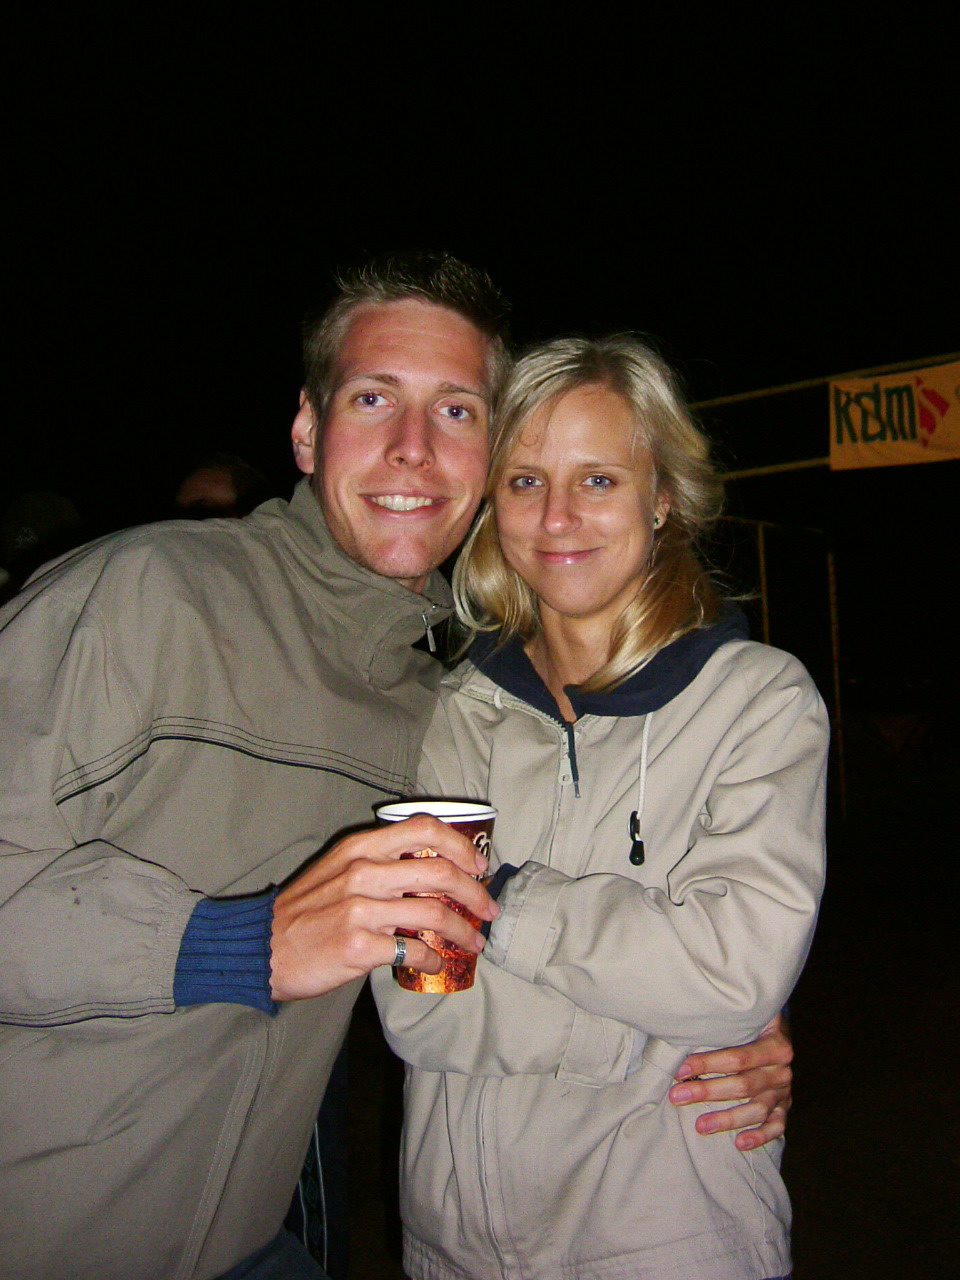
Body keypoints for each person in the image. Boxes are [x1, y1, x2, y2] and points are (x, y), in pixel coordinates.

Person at [0, 257, 791, 1280]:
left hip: (245, 1246)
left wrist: (726, 1014)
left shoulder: (437, 702)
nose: (413, 446)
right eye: (373, 398)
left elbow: (586, 917)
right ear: (306, 430)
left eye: (457, 410)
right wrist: (237, 943)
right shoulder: (141, 597)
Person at [372, 336, 828, 1280]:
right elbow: (421, 1015)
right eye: (526, 481)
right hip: (453, 1244)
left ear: (661, 496)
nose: (558, 517)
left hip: (670, 1241)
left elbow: (734, 977)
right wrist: (660, 1031)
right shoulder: (452, 712)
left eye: (598, 480)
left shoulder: (758, 701)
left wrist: (500, 900)